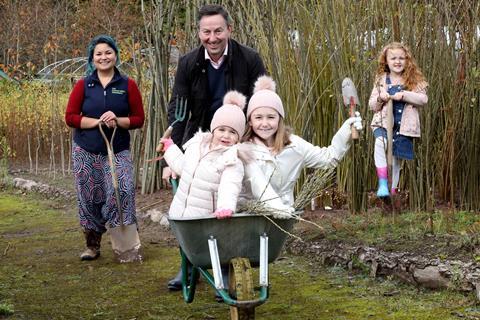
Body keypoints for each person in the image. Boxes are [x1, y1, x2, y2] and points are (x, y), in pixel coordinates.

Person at [164, 3, 266, 291]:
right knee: (191, 204)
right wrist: (171, 161)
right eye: (206, 32)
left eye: (218, 30)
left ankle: (230, 267)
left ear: (229, 30)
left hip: (238, 142)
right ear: (199, 33)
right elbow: (178, 111)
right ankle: (190, 264)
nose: (213, 38)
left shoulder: (249, 59)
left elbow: (262, 104)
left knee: (230, 205)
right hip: (200, 144)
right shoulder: (188, 63)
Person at [65, 35, 145, 262]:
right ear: (92, 58)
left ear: (116, 55)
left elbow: (138, 118)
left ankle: (127, 247)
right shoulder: (84, 85)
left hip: (117, 149)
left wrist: (117, 120)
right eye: (98, 54)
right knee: (89, 197)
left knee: (122, 192)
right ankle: (92, 245)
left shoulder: (127, 85)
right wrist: (97, 122)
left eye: (108, 52)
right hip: (86, 150)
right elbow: (70, 117)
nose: (104, 57)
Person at [239, 75, 363, 216]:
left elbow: (329, 159)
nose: (265, 123)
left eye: (271, 117)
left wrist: (345, 131)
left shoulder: (294, 145)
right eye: (258, 117)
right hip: (248, 216)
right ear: (250, 121)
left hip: (284, 215)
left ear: (280, 119)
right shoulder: (243, 151)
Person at [160, 91, 246, 219]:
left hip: (204, 219)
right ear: (213, 129)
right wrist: (170, 148)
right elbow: (182, 166)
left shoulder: (232, 160)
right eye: (221, 129)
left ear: (238, 138)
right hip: (180, 213)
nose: (226, 135)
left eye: (232, 132)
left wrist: (225, 206)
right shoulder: (196, 145)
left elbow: (230, 185)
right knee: (184, 238)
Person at [368, 42, 428, 198]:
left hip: (404, 126)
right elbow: (372, 105)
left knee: (396, 161)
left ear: (407, 60)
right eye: (393, 58)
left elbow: (423, 99)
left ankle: (392, 192)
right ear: (386, 61)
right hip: (383, 122)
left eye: (401, 58)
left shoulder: (413, 79)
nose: (397, 61)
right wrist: (381, 98)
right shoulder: (381, 79)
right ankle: (382, 183)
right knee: (380, 143)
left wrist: (405, 95)